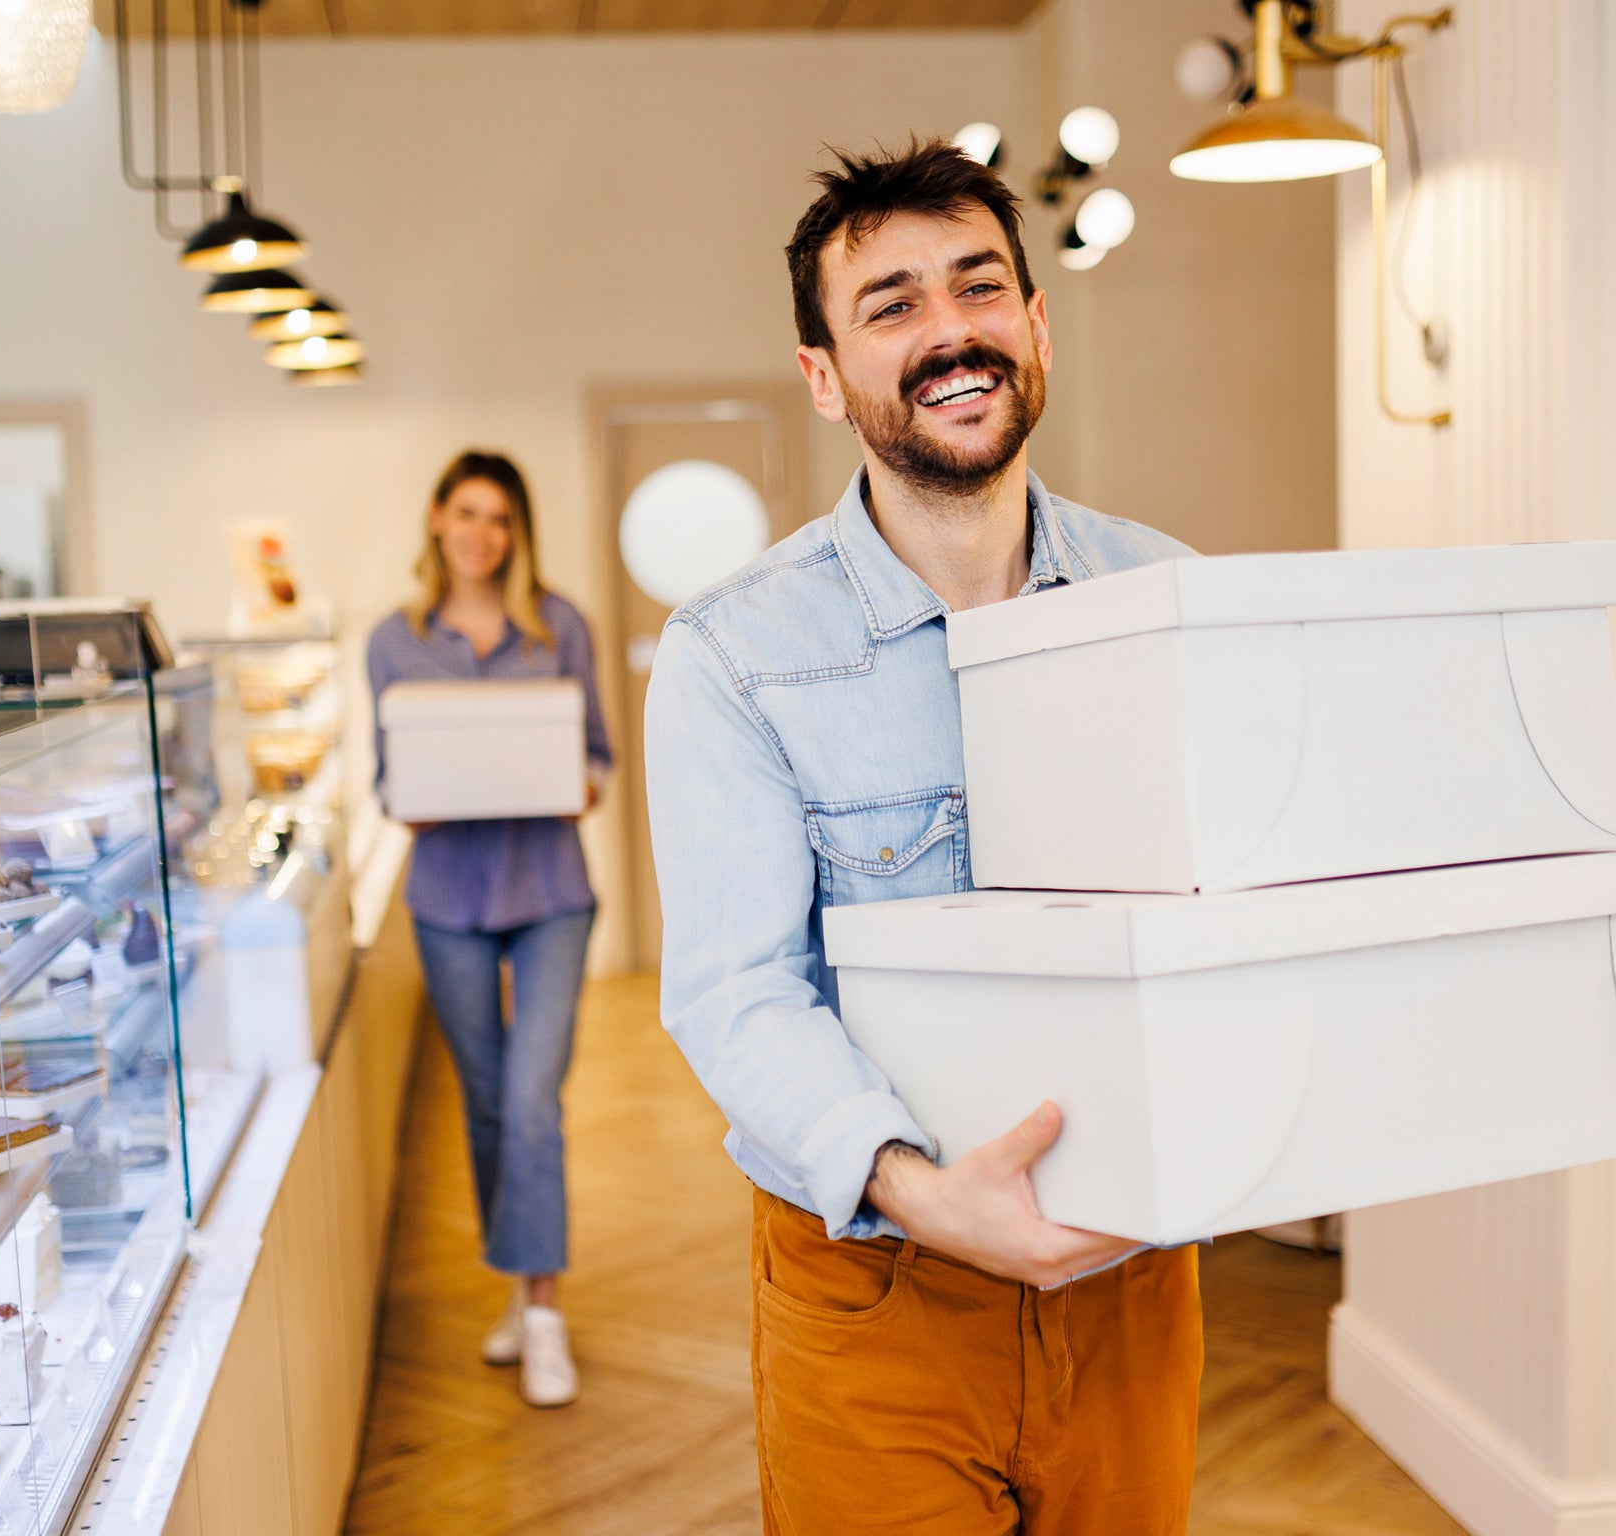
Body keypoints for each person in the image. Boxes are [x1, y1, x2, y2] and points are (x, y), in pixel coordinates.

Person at [644, 140, 1202, 1533]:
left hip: (1132, 1270)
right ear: (825, 375)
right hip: (873, 1279)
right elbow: (734, 993)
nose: (949, 329)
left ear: (1037, 326)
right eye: (891, 304)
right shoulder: (732, 656)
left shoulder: (1178, 596)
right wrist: (920, 1191)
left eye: (979, 287)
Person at [367, 450, 612, 1409]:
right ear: (437, 520)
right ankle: (518, 1285)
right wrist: (415, 796)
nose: (482, 534)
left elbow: (595, 758)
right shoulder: (394, 640)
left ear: (518, 532)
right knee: (484, 1104)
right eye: (467, 514)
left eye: (500, 518)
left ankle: (544, 1315)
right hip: (448, 900)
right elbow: (389, 779)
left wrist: (563, 777)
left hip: (550, 890)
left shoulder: (560, 628)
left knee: (533, 1098)